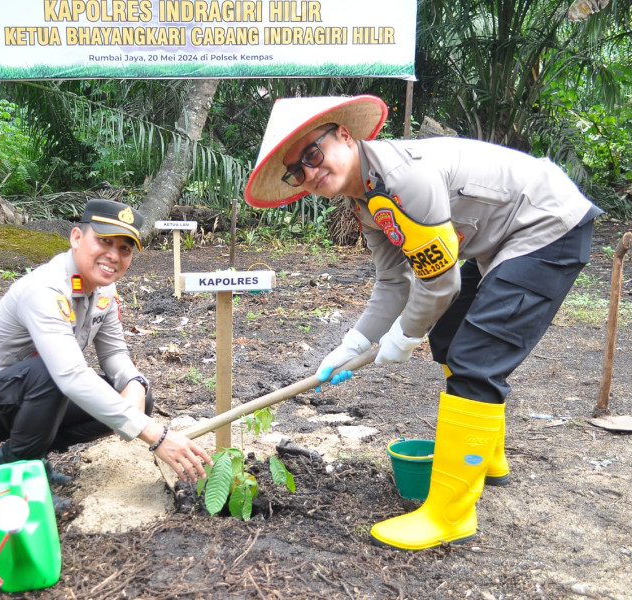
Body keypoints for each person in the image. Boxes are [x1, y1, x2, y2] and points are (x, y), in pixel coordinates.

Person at [244, 95, 601, 550]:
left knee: (477, 358)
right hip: (501, 241)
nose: (309, 173)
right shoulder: (367, 200)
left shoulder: (401, 178)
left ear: (345, 136)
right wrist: (355, 341)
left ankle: (449, 514)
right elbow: (394, 282)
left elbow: (439, 284)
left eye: (312, 155)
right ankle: (486, 458)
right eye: (297, 171)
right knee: (451, 335)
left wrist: (405, 335)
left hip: (546, 225)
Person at [0, 199, 212, 509]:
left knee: (136, 398)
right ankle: (18, 476)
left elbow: (114, 353)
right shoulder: (46, 288)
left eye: (125, 249)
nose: (114, 255)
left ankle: (27, 451)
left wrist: (136, 384)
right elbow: (68, 374)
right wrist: (156, 436)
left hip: (25, 396)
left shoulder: (104, 290)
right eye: (104, 241)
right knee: (52, 373)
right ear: (76, 238)